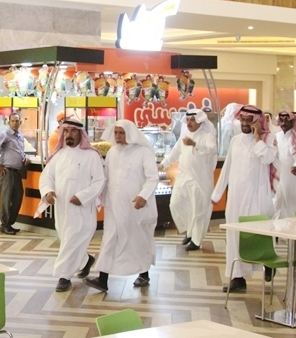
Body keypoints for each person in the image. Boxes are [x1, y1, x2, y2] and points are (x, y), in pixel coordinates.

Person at [85, 120, 158, 292]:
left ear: (130, 133)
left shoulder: (143, 152)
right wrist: (101, 199)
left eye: (122, 133)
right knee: (109, 239)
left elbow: (153, 178)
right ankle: (102, 279)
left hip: (135, 207)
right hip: (113, 206)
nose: (118, 136)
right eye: (116, 133)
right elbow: (106, 179)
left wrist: (143, 196)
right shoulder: (112, 152)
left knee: (137, 240)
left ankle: (144, 274)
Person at [211, 105, 277, 293]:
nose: (245, 124)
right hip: (236, 198)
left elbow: (268, 159)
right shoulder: (236, 141)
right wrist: (217, 194)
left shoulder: (268, 140)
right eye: (243, 120)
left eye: (249, 121)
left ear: (258, 122)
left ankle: (268, 262)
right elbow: (227, 168)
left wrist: (258, 139)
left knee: (259, 232)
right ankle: (237, 278)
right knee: (234, 236)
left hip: (258, 196)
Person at [39, 117, 105, 292]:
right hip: (62, 209)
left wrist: (82, 197)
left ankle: (64, 277)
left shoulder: (91, 156)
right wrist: (48, 191)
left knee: (71, 241)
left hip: (82, 209)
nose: (69, 134)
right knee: (67, 240)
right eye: (66, 131)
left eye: (73, 131)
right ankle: (85, 260)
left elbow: (99, 181)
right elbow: (46, 177)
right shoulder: (58, 155)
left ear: (81, 134)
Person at [158, 110, 217, 251]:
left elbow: (212, 150)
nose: (189, 122)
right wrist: (163, 164)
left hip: (200, 180)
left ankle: (196, 241)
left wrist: (194, 144)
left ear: (200, 121)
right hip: (184, 177)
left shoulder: (207, 136)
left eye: (192, 120)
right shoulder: (185, 136)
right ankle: (189, 231)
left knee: (198, 210)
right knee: (175, 204)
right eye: (188, 120)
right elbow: (174, 152)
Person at [0, 112, 28, 235]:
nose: (15, 123)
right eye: (13, 121)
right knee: (5, 200)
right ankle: (4, 225)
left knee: (17, 197)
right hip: (7, 172)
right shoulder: (4, 135)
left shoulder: (20, 136)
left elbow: (19, 151)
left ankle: (9, 223)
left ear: (20, 122)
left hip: (17, 173)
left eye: (17, 121)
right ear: (9, 122)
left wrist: (25, 157)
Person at [273, 110, 296, 220]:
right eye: (281, 120)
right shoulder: (276, 136)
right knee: (279, 201)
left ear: (292, 122)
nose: (283, 123)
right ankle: (279, 227)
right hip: (281, 173)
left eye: (286, 120)